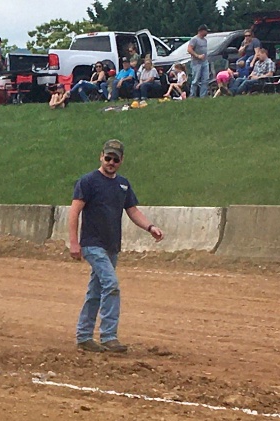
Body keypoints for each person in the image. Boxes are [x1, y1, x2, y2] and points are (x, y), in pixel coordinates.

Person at [68, 139, 164, 353]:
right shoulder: (88, 181)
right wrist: (74, 242)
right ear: (101, 156)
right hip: (92, 244)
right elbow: (74, 212)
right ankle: (109, 336)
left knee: (96, 291)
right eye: (108, 158)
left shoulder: (123, 184)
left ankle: (84, 336)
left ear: (121, 161)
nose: (111, 162)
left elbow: (132, 211)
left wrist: (150, 227)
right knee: (111, 284)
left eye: (115, 159)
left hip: (112, 246)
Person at [187, 25, 211, 98]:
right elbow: (189, 49)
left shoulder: (205, 40)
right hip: (196, 63)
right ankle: (192, 95)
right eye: (206, 31)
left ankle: (203, 96)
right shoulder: (194, 39)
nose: (207, 33)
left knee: (205, 79)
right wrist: (197, 56)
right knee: (195, 80)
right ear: (201, 31)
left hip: (205, 62)